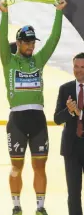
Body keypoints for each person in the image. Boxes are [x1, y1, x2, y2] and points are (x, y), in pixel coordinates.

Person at [0, 0, 67, 215]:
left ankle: (40, 207)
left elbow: (54, 39)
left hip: (38, 119)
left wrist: (59, 12)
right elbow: (1, 39)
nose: (31, 46)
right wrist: (5, 14)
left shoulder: (38, 60)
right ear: (18, 43)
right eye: (27, 42)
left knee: (39, 166)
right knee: (17, 167)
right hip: (17, 120)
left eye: (32, 42)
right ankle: (16, 206)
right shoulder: (8, 61)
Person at [54, 52, 84, 215]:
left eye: (82, 67)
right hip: (71, 149)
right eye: (76, 67)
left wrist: (78, 112)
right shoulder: (65, 89)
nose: (78, 70)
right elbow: (57, 118)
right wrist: (69, 110)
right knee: (73, 193)